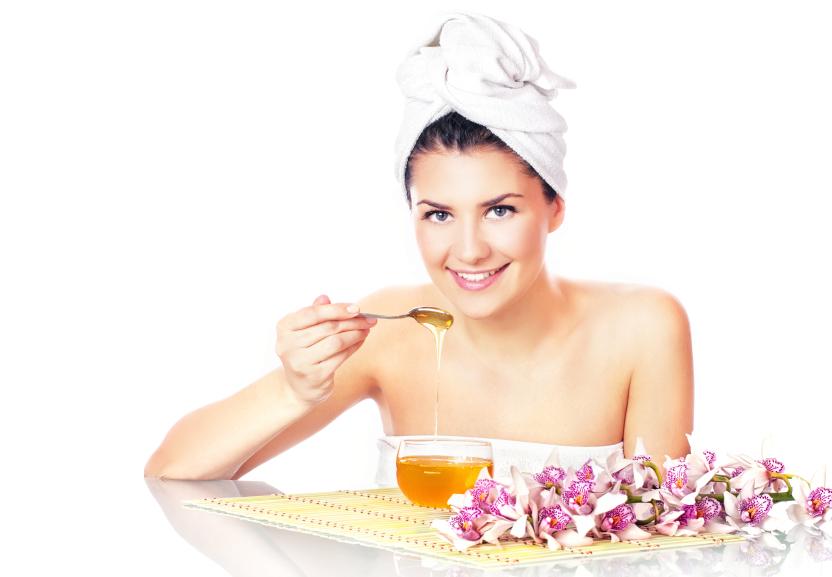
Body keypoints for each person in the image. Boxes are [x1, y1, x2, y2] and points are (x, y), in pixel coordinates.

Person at [144, 11, 693, 482]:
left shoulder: (640, 327)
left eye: (500, 210)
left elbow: (666, 532)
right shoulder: (389, 330)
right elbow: (172, 470)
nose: (469, 250)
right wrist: (294, 390)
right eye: (439, 214)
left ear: (554, 208)